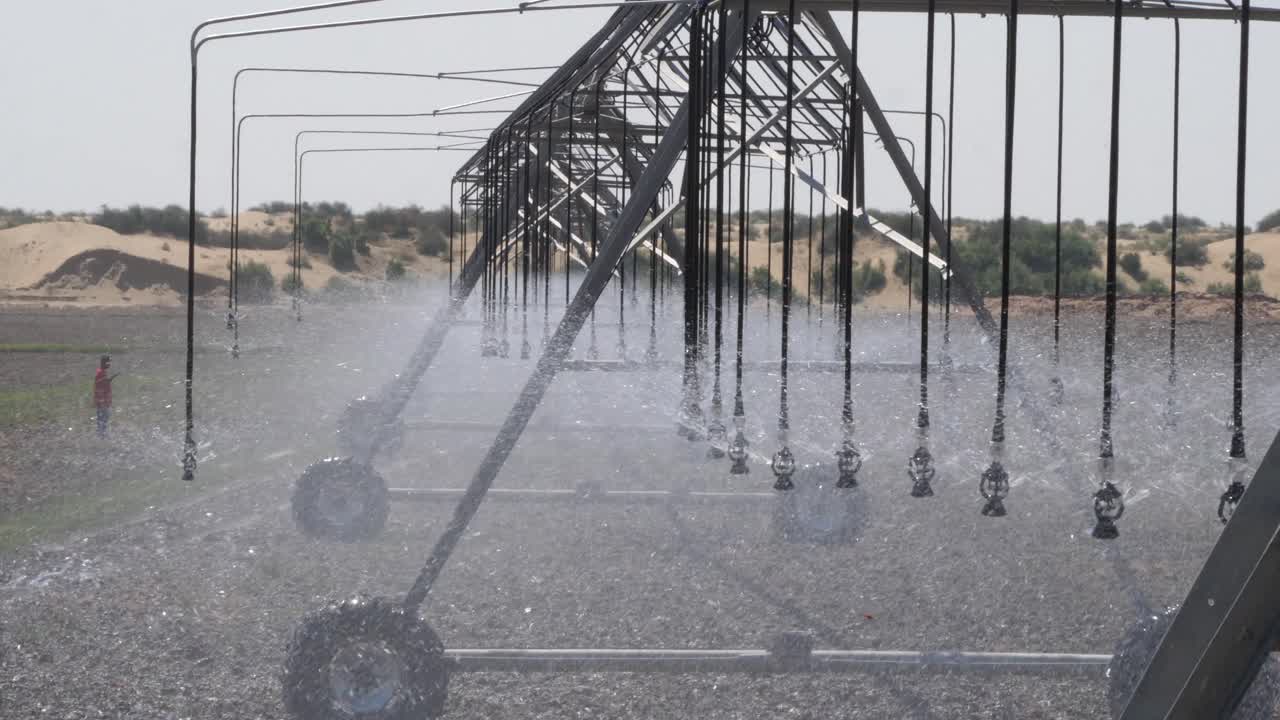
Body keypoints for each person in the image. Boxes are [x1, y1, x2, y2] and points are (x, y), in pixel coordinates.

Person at [93, 355, 117, 437]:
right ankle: (101, 434)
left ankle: (102, 433)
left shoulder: (102, 372)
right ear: (105, 363)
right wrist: (102, 402)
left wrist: (109, 380)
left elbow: (102, 383)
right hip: (102, 401)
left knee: (104, 417)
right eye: (108, 362)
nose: (109, 364)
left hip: (103, 400)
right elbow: (99, 388)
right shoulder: (101, 373)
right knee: (103, 417)